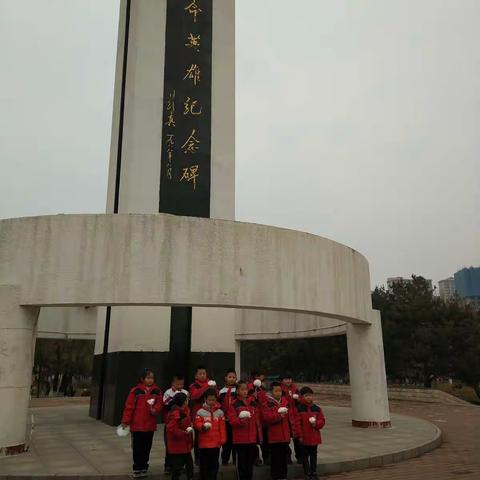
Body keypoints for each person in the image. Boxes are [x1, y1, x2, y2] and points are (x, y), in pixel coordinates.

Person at [121, 368, 163, 478]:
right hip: (137, 426)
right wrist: (125, 421)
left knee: (147, 447)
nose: (150, 380)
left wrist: (155, 410)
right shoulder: (135, 391)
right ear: (142, 379)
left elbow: (160, 404)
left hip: (149, 426)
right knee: (137, 448)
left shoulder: (157, 391)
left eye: (152, 378)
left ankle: (144, 467)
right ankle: (137, 468)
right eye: (148, 378)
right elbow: (129, 407)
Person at [227, 380, 263, 480]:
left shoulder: (252, 402)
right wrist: (241, 420)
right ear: (237, 391)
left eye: (246, 389)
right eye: (242, 389)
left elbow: (258, 421)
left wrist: (259, 436)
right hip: (240, 440)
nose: (245, 391)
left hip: (251, 439)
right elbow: (231, 421)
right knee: (242, 463)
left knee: (250, 463)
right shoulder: (234, 404)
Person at [262, 381, 295, 480]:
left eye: (279, 391)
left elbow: (291, 418)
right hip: (274, 437)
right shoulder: (267, 404)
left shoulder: (286, 403)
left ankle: (283, 476)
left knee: (283, 458)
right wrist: (279, 416)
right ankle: (275, 476)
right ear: (271, 392)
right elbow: (267, 418)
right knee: (275, 458)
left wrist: (293, 431)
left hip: (285, 436)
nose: (278, 393)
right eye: (276, 391)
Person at [194, 389, 227, 480]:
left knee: (214, 465)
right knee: (204, 466)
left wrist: (223, 439)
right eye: (210, 400)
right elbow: (197, 424)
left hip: (216, 445)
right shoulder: (200, 412)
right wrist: (203, 427)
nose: (212, 402)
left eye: (213, 400)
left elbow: (222, 428)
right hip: (204, 445)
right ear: (205, 399)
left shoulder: (220, 413)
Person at [295, 387, 326, 480]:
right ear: (302, 397)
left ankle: (314, 471)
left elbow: (322, 421)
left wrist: (316, 424)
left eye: (310, 395)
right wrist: (299, 436)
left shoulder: (317, 409)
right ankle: (307, 473)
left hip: (314, 437)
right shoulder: (299, 408)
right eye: (306, 396)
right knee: (304, 456)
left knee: (313, 455)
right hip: (304, 437)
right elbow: (297, 424)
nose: (308, 397)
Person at [189, 365, 217, 464]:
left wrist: (213, 388)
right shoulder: (193, 386)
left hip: (211, 414)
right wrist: (207, 387)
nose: (202, 375)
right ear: (196, 376)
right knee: (198, 438)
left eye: (204, 373)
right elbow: (195, 396)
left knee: (210, 435)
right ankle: (198, 458)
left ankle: (209, 456)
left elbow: (215, 396)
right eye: (200, 374)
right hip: (199, 415)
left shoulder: (211, 384)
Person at [163, 374, 189, 473]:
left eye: (181, 384)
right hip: (171, 421)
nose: (179, 386)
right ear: (172, 383)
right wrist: (175, 399)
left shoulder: (185, 392)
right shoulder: (167, 393)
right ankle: (168, 465)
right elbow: (166, 406)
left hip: (183, 423)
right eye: (177, 384)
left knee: (182, 444)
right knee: (169, 444)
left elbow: (186, 406)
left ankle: (180, 465)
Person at [165, 392, 194, 480]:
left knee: (190, 466)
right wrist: (184, 433)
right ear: (183, 401)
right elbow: (170, 429)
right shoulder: (176, 413)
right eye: (187, 399)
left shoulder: (185, 410)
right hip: (177, 446)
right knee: (177, 469)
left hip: (185, 445)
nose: (188, 400)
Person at [247, 370, 268, 465]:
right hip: (253, 418)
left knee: (264, 440)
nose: (262, 378)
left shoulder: (261, 388)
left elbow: (264, 402)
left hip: (262, 417)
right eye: (261, 376)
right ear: (256, 376)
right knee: (254, 440)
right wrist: (253, 396)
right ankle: (256, 458)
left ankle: (266, 457)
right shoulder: (249, 387)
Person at [218, 368, 237, 465]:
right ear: (226, 378)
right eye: (230, 377)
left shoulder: (238, 390)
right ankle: (225, 459)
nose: (232, 379)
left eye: (233, 377)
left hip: (235, 419)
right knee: (226, 441)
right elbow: (219, 405)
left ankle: (235, 459)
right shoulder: (221, 391)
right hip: (225, 419)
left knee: (235, 440)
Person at [281, 374, 301, 464]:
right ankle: (287, 457)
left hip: (295, 416)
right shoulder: (280, 390)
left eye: (289, 379)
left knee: (297, 438)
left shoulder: (295, 389)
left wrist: (298, 400)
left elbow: (300, 401)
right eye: (286, 379)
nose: (288, 381)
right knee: (286, 439)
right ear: (282, 380)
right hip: (285, 417)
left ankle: (300, 457)